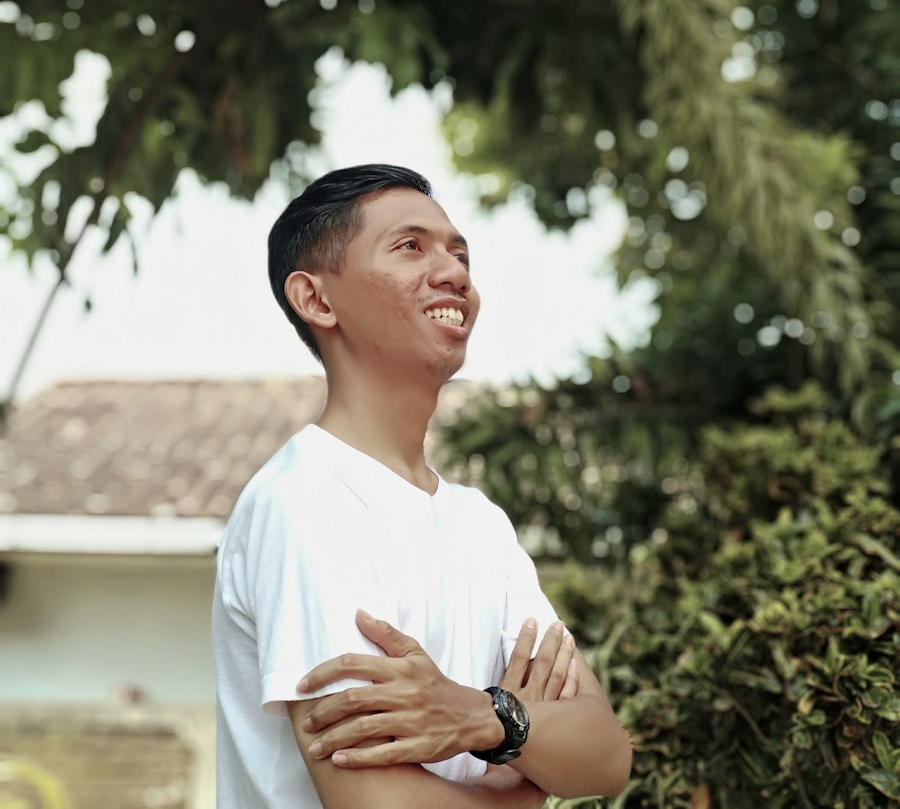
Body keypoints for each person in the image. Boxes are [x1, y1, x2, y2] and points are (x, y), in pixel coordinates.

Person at [213, 164, 633, 808]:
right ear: (316, 299)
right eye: (411, 247)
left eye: (459, 251)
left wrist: (483, 717)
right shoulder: (305, 503)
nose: (455, 272)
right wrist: (523, 788)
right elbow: (375, 803)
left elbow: (604, 757)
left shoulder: (480, 525)